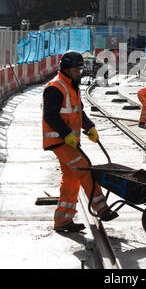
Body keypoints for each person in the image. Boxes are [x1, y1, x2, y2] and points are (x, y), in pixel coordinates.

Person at [43, 50, 118, 232]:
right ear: (67, 69)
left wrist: (89, 127)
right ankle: (102, 209)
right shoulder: (55, 87)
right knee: (85, 169)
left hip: (70, 141)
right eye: (76, 70)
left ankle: (63, 220)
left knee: (71, 179)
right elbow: (50, 116)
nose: (79, 73)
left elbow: (78, 112)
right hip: (60, 141)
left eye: (80, 70)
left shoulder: (71, 86)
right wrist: (67, 132)